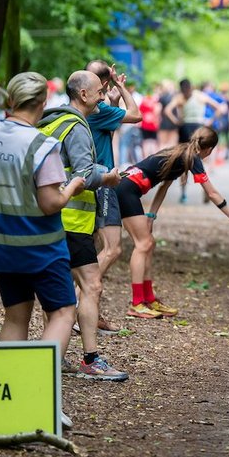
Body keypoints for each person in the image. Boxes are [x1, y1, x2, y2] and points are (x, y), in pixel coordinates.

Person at [0, 72, 84, 367]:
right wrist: (72, 186)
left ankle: (7, 388)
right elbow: (50, 204)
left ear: (11, 99)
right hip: (40, 247)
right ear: (43, 103)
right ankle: (36, 390)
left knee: (15, 316)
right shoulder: (42, 146)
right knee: (62, 312)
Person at [38, 70, 127, 381]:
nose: (103, 97)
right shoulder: (76, 126)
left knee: (58, 290)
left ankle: (54, 357)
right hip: (72, 221)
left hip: (48, 218)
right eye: (99, 92)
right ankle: (90, 359)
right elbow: (83, 174)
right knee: (92, 285)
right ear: (84, 95)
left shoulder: (52, 122)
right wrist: (108, 176)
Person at [117, 126, 229, 318]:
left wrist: (151, 216)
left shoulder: (181, 152)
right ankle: (137, 303)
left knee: (149, 243)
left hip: (128, 187)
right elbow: (212, 193)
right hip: (126, 190)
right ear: (209, 149)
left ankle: (149, 299)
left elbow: (163, 186)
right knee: (143, 244)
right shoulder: (192, 158)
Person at [85, 61, 141, 328]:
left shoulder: (87, 109)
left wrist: (113, 98)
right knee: (112, 249)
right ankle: (79, 304)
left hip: (89, 181)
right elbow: (136, 115)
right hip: (104, 182)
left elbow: (108, 128)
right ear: (103, 84)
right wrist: (122, 88)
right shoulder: (98, 110)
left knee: (96, 249)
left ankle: (91, 311)